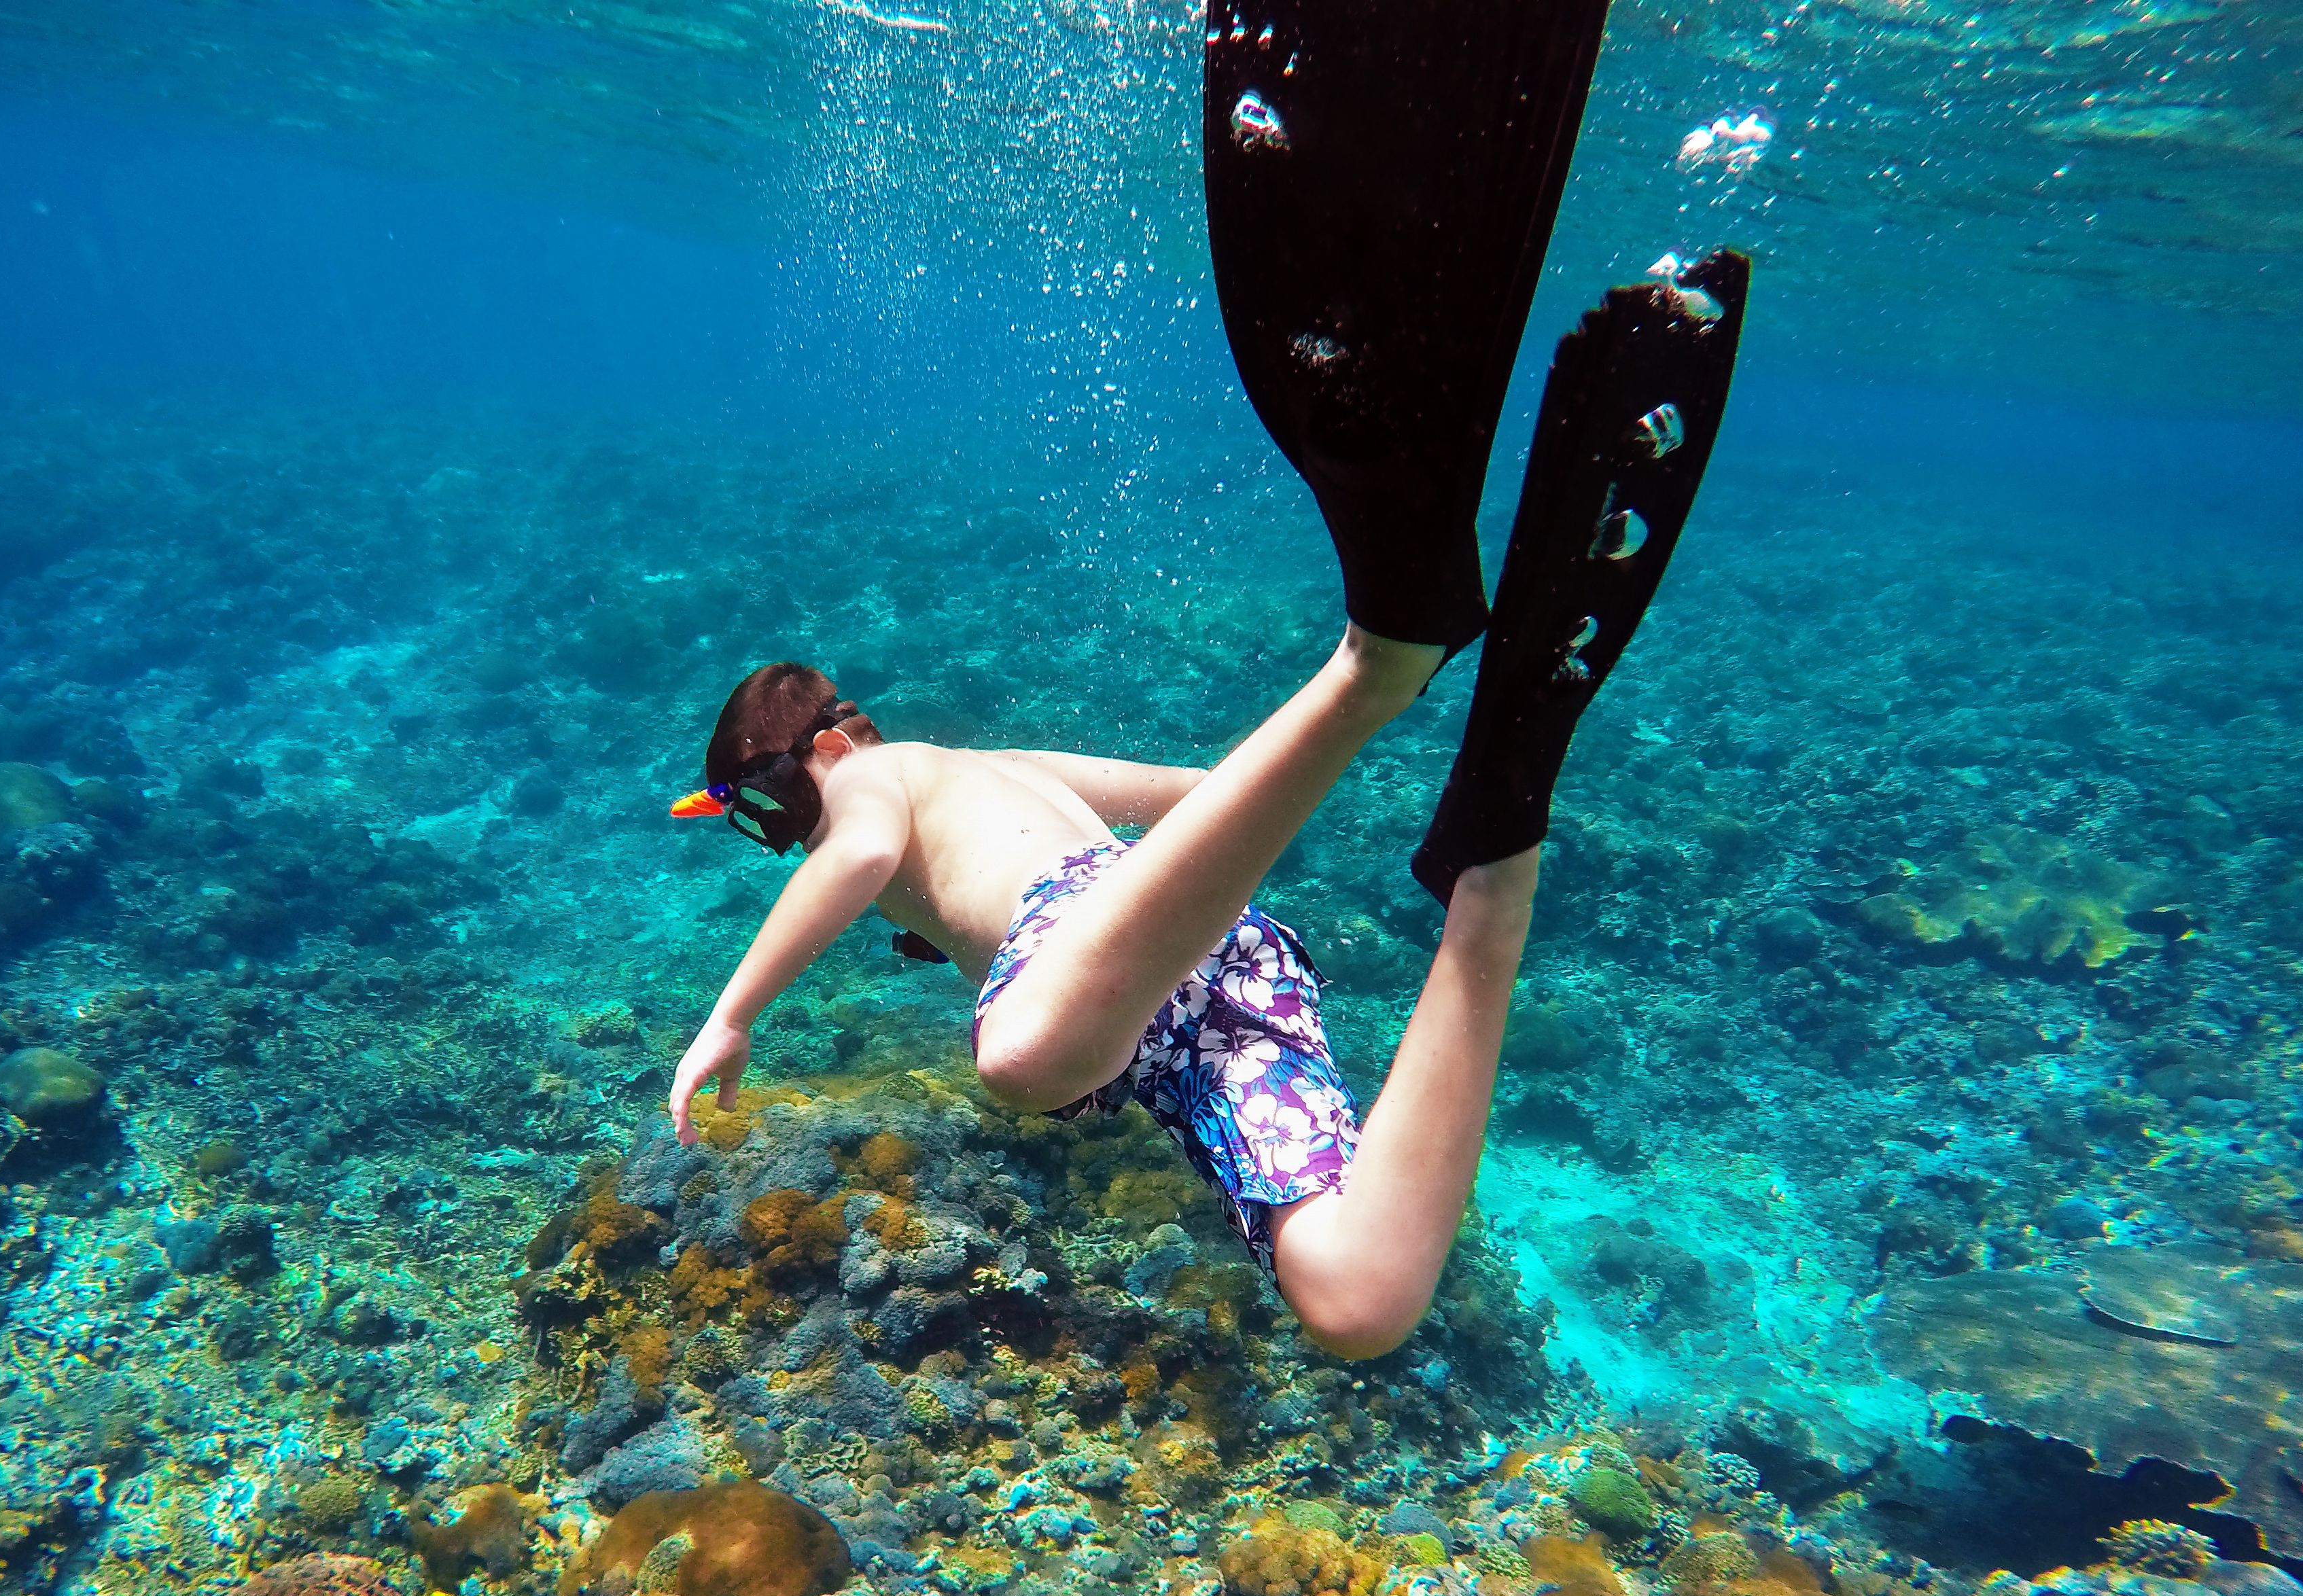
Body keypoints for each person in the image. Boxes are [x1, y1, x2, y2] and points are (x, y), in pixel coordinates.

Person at [664, 0, 1751, 1360]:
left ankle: (1381, 658)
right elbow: (1201, 798)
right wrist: (1324, 780)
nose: (793, 836)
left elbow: (856, 854)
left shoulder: (878, 782)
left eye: (770, 801)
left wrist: (732, 1013)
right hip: (1195, 988)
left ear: (819, 747)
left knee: (1016, 1060)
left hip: (1115, 969)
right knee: (1357, 1302)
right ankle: (1496, 864)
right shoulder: (1000, 770)